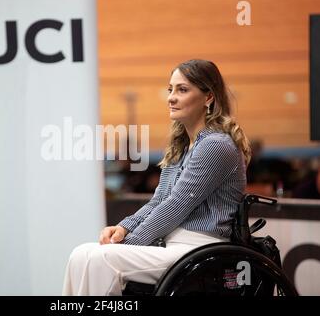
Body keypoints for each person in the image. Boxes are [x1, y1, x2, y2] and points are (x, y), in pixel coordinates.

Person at [62, 59, 251, 296]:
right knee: (81, 254)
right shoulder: (182, 146)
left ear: (208, 97)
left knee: (103, 258)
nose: (171, 97)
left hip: (201, 249)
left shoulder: (216, 145)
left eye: (182, 90)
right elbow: (159, 199)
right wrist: (124, 227)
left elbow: (176, 205)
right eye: (170, 89)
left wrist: (130, 243)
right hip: (173, 246)